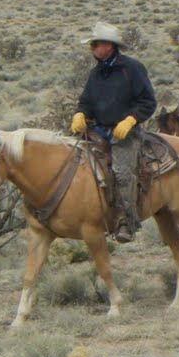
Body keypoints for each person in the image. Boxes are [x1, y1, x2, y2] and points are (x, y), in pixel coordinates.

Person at [69, 21, 156, 242]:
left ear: (108, 45)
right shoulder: (96, 73)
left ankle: (126, 221)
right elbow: (86, 101)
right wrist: (80, 113)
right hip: (97, 131)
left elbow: (148, 101)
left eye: (95, 44)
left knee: (122, 173)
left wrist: (130, 120)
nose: (92, 48)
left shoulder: (132, 68)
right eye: (92, 45)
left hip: (125, 133)